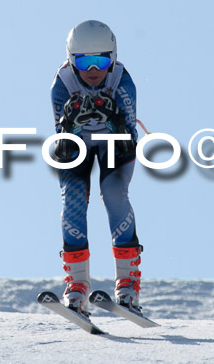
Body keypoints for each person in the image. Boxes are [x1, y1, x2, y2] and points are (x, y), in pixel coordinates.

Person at [50, 20, 143, 317]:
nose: (93, 71)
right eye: (83, 62)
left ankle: (128, 284)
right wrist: (70, 122)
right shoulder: (62, 84)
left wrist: (114, 119)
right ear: (71, 60)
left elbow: (129, 138)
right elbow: (63, 145)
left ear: (112, 58)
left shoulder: (122, 81)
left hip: (114, 146)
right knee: (74, 198)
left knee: (114, 192)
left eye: (100, 61)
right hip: (78, 147)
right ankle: (77, 286)